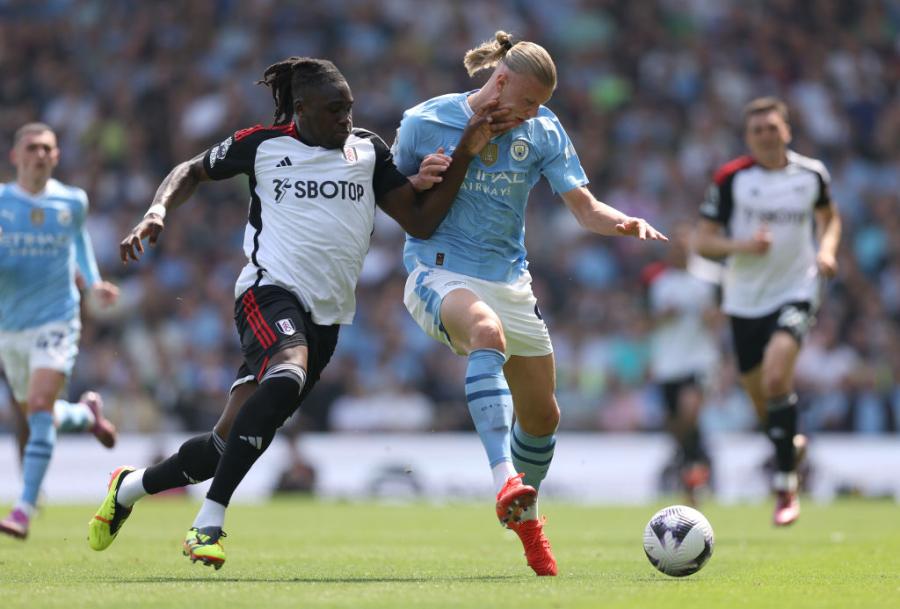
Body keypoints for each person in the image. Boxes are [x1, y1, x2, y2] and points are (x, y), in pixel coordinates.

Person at [88, 56, 516, 569]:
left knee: (223, 445)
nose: (345, 118)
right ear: (301, 109)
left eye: (350, 107)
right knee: (287, 374)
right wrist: (157, 210)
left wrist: (464, 155)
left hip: (328, 319)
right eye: (334, 109)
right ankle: (208, 523)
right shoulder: (263, 146)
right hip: (268, 294)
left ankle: (130, 487)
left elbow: (419, 221)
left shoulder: (367, 151)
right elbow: (191, 170)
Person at [391, 31, 667, 576]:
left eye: (541, 105)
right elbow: (394, 194)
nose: (534, 113)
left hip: (511, 281)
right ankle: (504, 478)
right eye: (527, 101)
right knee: (486, 333)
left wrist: (622, 222)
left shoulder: (542, 129)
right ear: (500, 81)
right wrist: (415, 181)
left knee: (543, 416)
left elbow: (583, 208)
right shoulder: (424, 121)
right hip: (439, 271)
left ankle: (526, 519)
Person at [694, 96, 841, 526]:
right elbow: (703, 241)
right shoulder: (731, 179)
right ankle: (788, 445)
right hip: (743, 299)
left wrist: (827, 251)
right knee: (763, 402)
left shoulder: (811, 174)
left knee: (778, 374)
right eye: (757, 130)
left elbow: (830, 218)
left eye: (772, 128)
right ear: (748, 137)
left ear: (787, 131)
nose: (765, 136)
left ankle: (785, 485)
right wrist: (743, 246)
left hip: (797, 287)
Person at [0, 122, 119, 540]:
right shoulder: (0, 202)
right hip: (9, 329)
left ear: (57, 156)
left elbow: (79, 242)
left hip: (57, 320)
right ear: (16, 156)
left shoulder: (72, 201)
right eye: (32, 147)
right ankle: (86, 416)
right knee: (41, 415)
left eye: (48, 148)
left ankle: (24, 508)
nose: (40, 155)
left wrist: (93, 281)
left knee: (36, 405)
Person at [644, 223, 719, 505]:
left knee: (689, 414)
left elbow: (722, 318)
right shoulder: (657, 282)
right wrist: (664, 316)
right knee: (677, 426)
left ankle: (694, 471)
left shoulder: (710, 278)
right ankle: (695, 467)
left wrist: (709, 317)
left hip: (698, 360)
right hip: (667, 363)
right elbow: (643, 322)